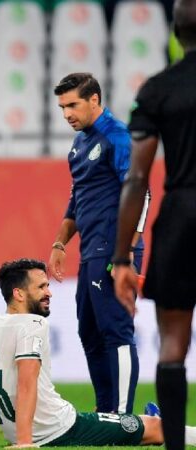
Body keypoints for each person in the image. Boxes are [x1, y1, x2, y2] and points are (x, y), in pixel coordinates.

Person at [0, 258, 196, 448]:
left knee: (134, 422)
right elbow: (27, 383)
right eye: (41, 287)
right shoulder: (34, 324)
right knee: (155, 428)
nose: (49, 292)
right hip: (59, 428)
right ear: (18, 293)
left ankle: (143, 419)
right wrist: (25, 443)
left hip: (25, 431)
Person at [113, 1, 196, 448]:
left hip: (181, 216)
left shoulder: (158, 88)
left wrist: (121, 257)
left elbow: (137, 178)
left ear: (175, 35)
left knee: (173, 346)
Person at [47, 73, 148, 415]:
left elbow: (140, 193)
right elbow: (78, 199)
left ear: (94, 99)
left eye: (73, 105)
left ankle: (121, 415)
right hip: (91, 250)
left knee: (115, 330)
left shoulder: (117, 137)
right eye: (62, 107)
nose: (67, 114)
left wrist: (129, 253)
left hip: (115, 251)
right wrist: (60, 244)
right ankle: (106, 410)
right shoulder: (79, 144)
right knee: (89, 332)